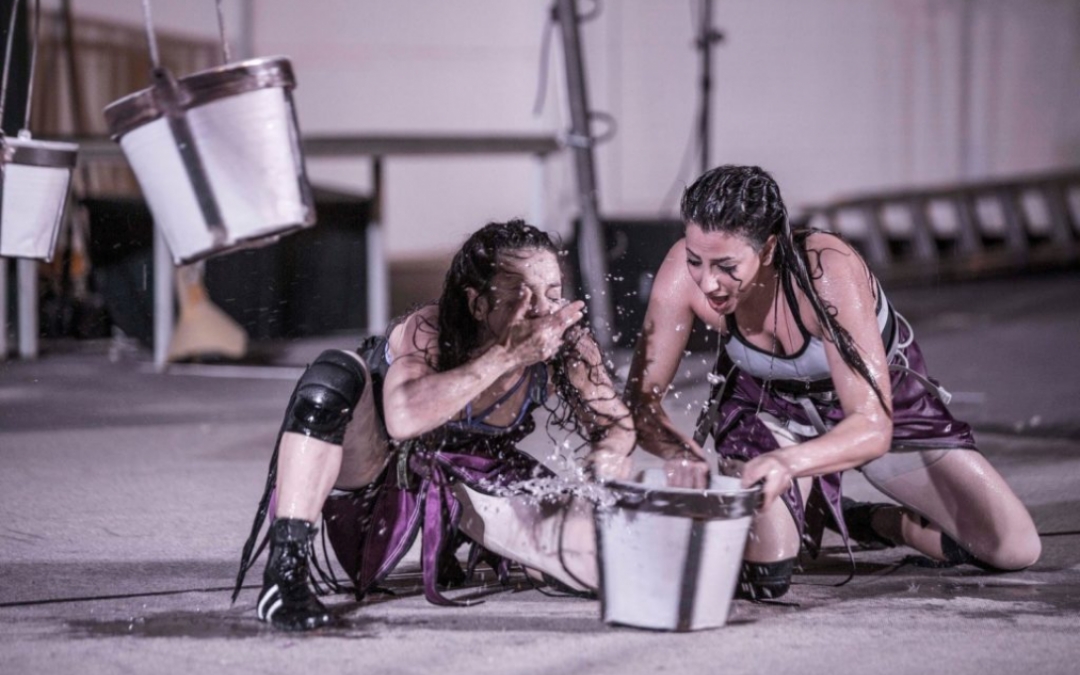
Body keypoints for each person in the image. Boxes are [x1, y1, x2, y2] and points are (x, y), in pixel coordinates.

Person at [626, 165, 1041, 599]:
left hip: (874, 404)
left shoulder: (827, 270)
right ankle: (816, 514)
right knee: (766, 573)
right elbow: (640, 398)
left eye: (726, 266)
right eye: (696, 260)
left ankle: (879, 523)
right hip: (767, 405)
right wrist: (677, 451)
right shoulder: (680, 272)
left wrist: (789, 463)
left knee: (1012, 548)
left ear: (768, 249)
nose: (707, 281)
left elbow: (872, 426)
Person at [234, 219, 635, 631]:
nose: (542, 311)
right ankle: (285, 574)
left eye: (552, 294)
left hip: (474, 473)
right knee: (334, 374)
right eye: (520, 295)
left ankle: (490, 543)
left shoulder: (568, 343)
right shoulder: (431, 328)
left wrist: (603, 467)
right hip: (380, 468)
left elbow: (617, 427)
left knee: (605, 561)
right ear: (477, 304)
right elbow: (404, 418)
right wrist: (508, 355)